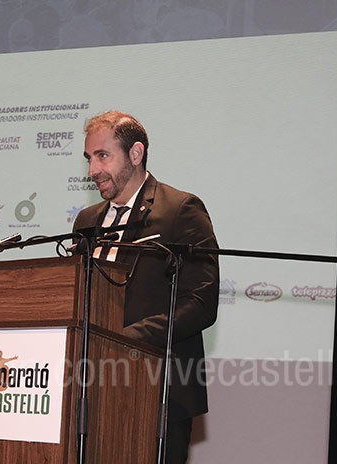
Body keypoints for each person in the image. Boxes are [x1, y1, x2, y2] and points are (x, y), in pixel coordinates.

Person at [72, 110, 219, 464]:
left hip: (157, 389)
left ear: (135, 154)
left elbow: (201, 301)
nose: (93, 170)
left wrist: (125, 340)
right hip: (90, 391)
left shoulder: (180, 210)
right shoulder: (87, 222)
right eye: (89, 158)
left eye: (102, 156)